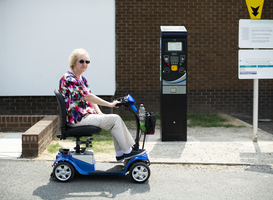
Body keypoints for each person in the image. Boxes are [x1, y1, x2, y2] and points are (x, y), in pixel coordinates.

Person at [59, 48, 146, 162]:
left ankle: (121, 153)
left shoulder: (82, 79)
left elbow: (90, 97)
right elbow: (88, 97)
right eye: (81, 61)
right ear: (74, 62)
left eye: (87, 61)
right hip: (78, 119)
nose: (84, 64)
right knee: (115, 119)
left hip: (85, 116)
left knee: (113, 122)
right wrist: (110, 104)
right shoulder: (69, 79)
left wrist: (100, 113)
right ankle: (128, 151)